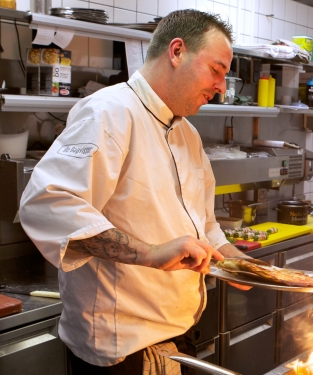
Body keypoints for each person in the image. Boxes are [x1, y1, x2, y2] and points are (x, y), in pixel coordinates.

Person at [19, 10, 250, 374]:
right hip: (121, 354)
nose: (221, 86)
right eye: (217, 70)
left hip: (176, 336)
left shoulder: (187, 133)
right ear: (177, 52)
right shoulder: (109, 113)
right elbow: (47, 203)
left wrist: (240, 264)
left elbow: (203, 225)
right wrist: (151, 253)